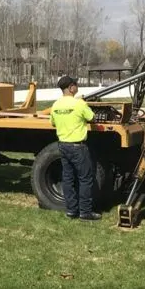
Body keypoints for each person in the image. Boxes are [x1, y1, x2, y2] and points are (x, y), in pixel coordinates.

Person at [49, 75, 102, 221]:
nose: (77, 87)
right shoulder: (79, 104)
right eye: (76, 85)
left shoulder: (56, 105)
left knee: (68, 178)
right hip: (77, 147)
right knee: (85, 179)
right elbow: (93, 118)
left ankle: (71, 211)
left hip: (63, 145)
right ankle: (85, 212)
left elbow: (53, 123)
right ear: (71, 87)